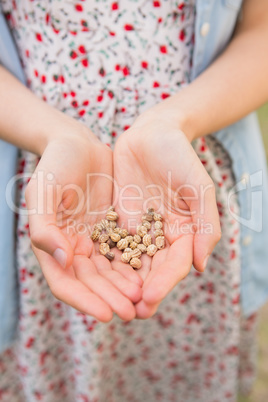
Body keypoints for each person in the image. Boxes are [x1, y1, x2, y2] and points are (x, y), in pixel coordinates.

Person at [0, 0, 267, 400]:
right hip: (57, 195)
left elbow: (260, 33)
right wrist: (55, 135)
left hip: (183, 189)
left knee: (186, 363)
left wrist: (174, 121)